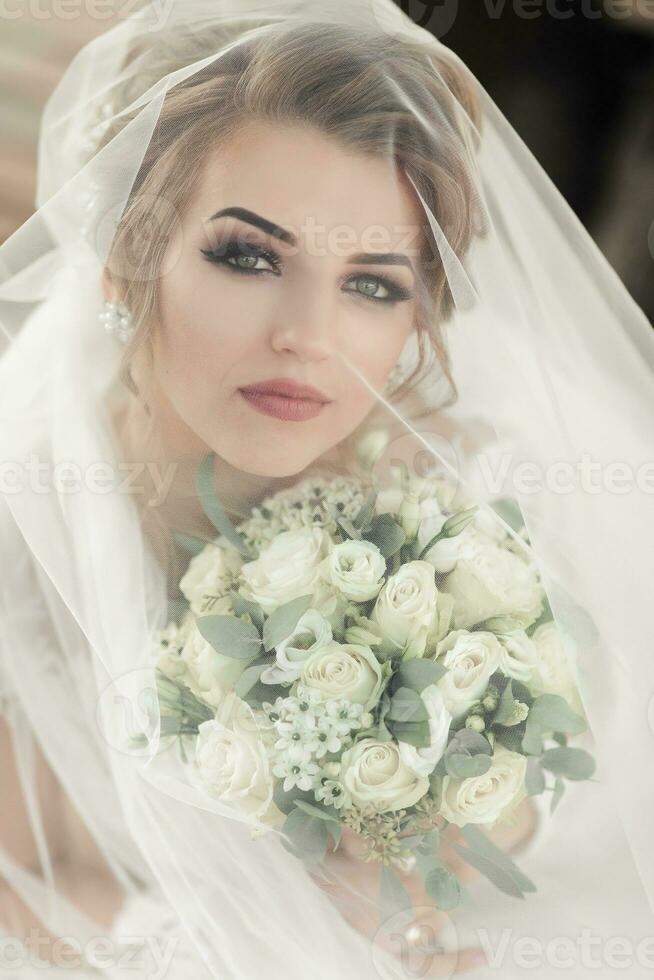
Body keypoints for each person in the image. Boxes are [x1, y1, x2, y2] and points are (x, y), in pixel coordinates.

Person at [1, 2, 653, 978]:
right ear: (129, 248)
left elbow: (568, 808)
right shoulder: (30, 512)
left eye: (373, 283)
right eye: (248, 255)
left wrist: (421, 835)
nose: (309, 334)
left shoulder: (464, 496)